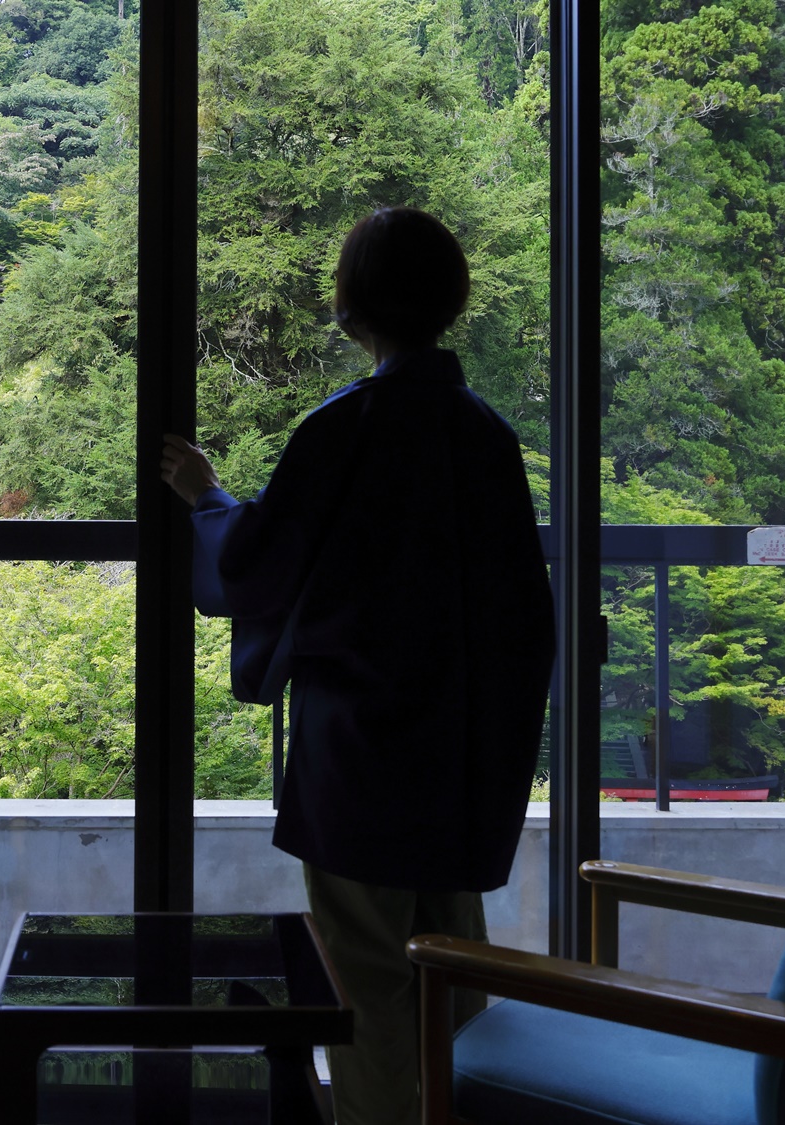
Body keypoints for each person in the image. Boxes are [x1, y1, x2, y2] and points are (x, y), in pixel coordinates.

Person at [160, 206, 555, 1124]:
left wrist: (208, 498)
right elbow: (522, 616)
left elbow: (258, 566)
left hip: (360, 755)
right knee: (453, 962)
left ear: (352, 306)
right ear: (450, 301)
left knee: (368, 977)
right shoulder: (486, 437)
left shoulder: (344, 428)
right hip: (463, 753)